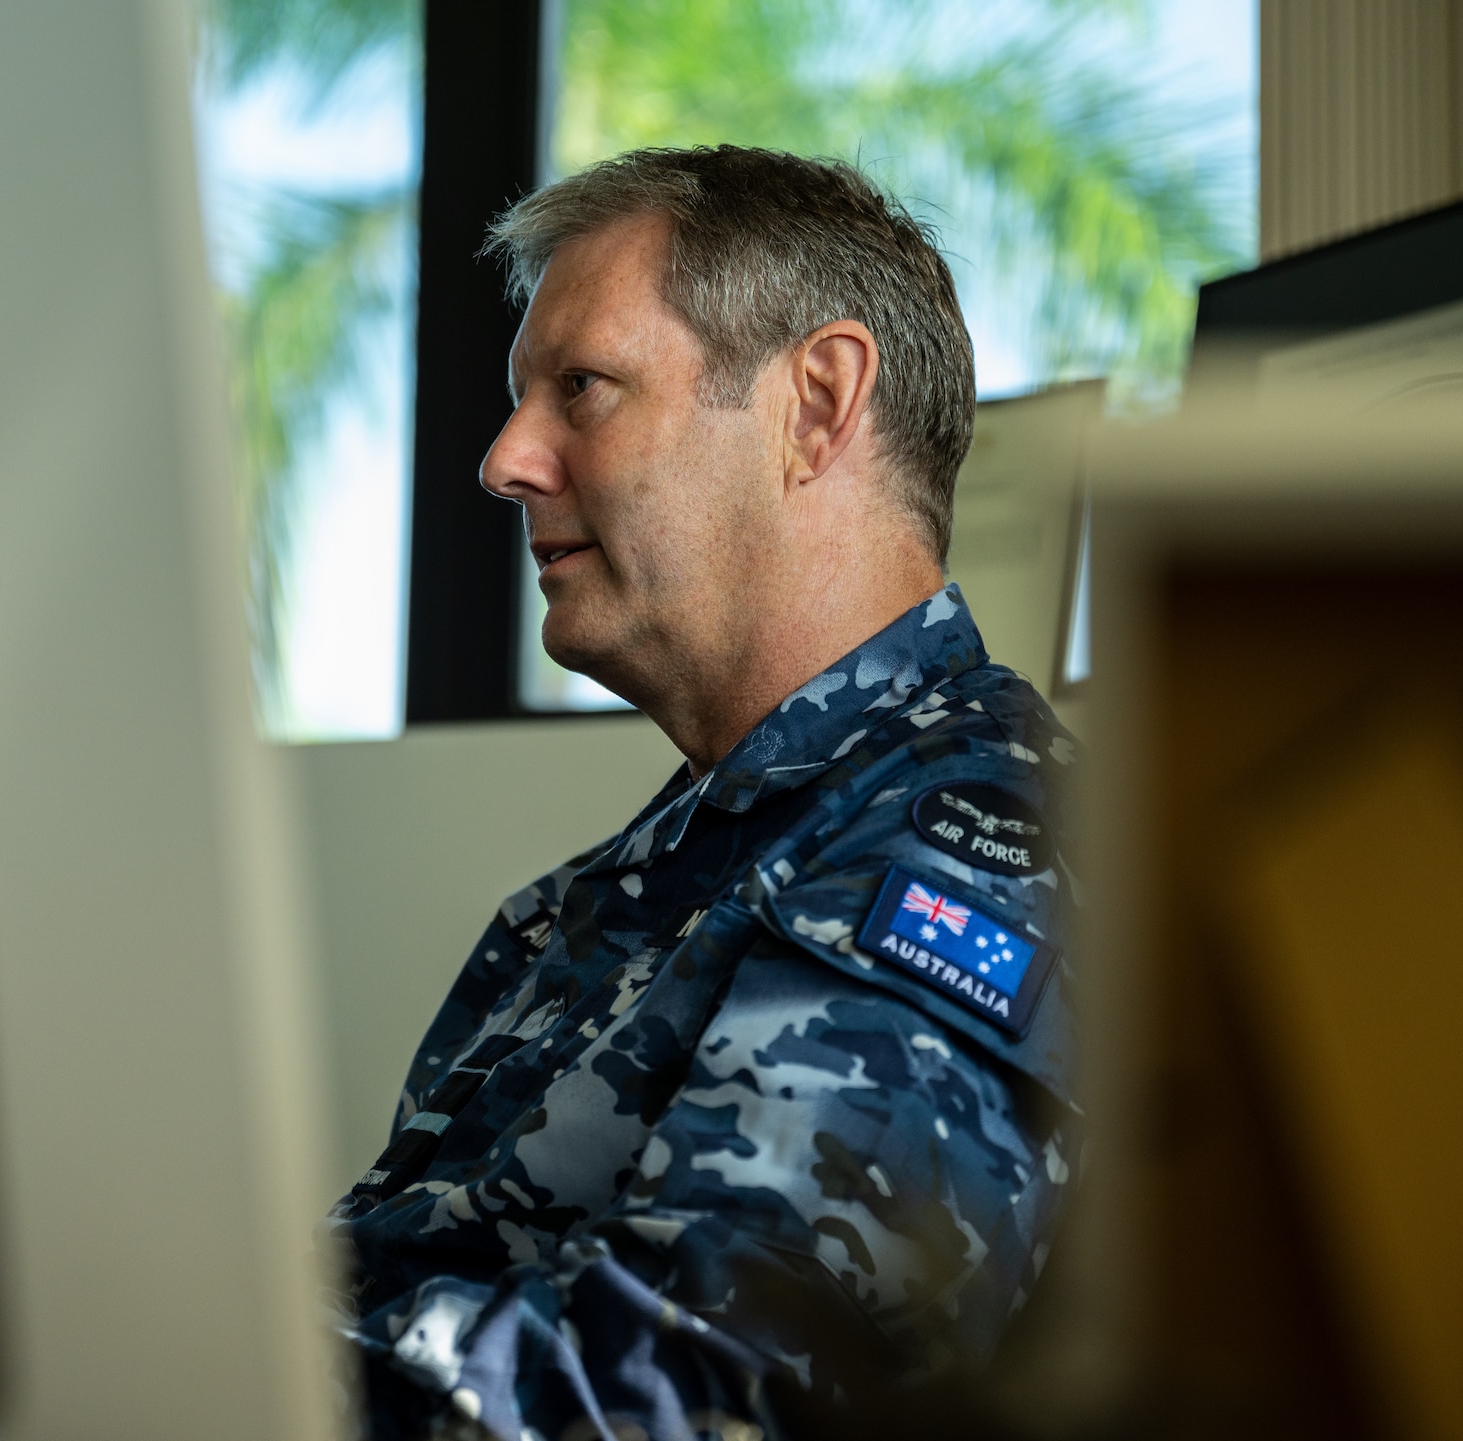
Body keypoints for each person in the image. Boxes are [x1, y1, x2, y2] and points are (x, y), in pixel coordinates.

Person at [326, 145, 1080, 1441]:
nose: (505, 458)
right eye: (522, 398)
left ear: (819, 402)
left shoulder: (976, 839)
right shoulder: (576, 909)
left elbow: (710, 1390)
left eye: (583, 388)